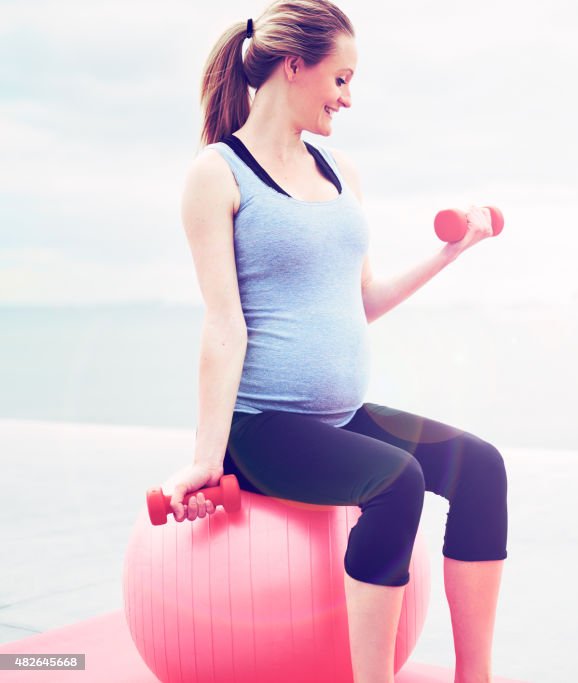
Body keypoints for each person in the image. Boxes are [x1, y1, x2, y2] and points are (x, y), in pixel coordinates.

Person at [159, 2, 508, 682]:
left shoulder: (340, 169)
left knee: (482, 466)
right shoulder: (217, 174)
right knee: (396, 480)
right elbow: (224, 325)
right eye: (340, 79)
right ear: (295, 66)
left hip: (339, 418)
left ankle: (477, 677)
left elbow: (362, 301)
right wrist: (208, 457)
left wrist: (451, 253)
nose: (348, 98)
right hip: (262, 430)